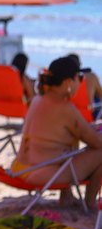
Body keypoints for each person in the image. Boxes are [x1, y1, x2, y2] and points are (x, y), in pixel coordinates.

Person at [12, 56, 102, 209]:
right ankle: (90, 202)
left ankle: (67, 197)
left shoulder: (38, 99)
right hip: (41, 173)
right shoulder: (65, 108)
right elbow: (96, 143)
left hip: (20, 168)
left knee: (66, 142)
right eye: (79, 78)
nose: (81, 82)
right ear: (68, 82)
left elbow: (59, 132)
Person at [67, 53, 102, 119]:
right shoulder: (90, 76)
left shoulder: (62, 81)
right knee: (97, 99)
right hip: (87, 118)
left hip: (68, 118)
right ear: (79, 64)